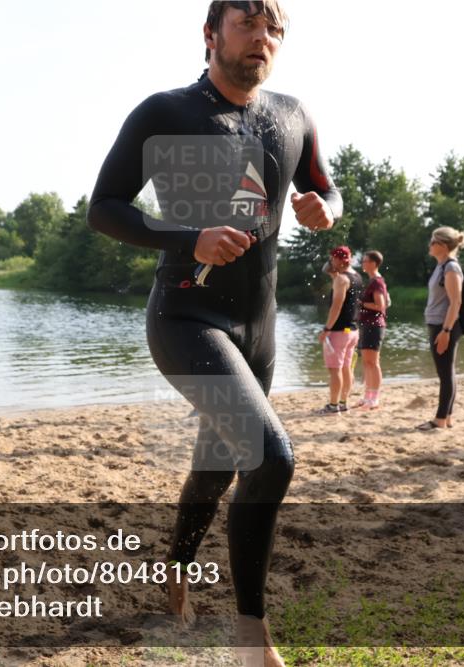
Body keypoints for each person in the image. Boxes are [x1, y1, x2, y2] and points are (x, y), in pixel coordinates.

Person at [86, 2, 342, 663]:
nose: (263, 38)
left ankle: (174, 568)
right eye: (247, 24)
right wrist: (189, 235)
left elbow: (325, 189)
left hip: (258, 329)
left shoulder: (292, 115)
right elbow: (105, 208)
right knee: (272, 456)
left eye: (274, 29)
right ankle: (251, 641)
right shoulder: (165, 113)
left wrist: (323, 208)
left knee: (218, 462)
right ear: (210, 35)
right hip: (185, 316)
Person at [417, 227, 464, 431]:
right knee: (447, 372)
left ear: (443, 246)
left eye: (432, 242)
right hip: (438, 324)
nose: (429, 245)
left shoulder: (451, 268)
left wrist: (446, 331)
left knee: (445, 373)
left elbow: (456, 302)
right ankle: (447, 417)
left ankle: (439, 419)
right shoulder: (442, 266)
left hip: (443, 326)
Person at [318, 246, 361, 413]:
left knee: (335, 370)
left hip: (338, 332)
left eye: (332, 259)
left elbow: (336, 306)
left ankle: (333, 405)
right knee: (346, 367)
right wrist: (333, 272)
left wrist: (327, 329)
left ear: (338, 259)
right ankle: (343, 403)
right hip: (352, 330)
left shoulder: (341, 279)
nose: (330, 262)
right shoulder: (355, 276)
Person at [354, 250, 389, 408]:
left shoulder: (377, 282)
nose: (363, 263)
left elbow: (380, 305)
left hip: (374, 326)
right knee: (367, 362)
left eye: (366, 261)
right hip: (367, 325)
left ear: (374, 263)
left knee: (373, 363)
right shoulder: (372, 281)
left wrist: (361, 304)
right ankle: (368, 395)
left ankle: (374, 397)